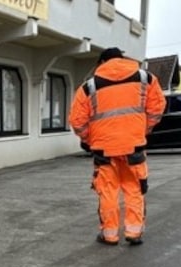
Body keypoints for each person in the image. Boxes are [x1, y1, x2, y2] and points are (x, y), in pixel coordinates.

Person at [69, 47, 166, 246]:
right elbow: (157, 108)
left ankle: (109, 235)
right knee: (134, 189)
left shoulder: (89, 87)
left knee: (108, 191)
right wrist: (143, 129)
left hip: (104, 150)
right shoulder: (146, 79)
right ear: (121, 58)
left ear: (102, 62)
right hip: (134, 146)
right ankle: (134, 233)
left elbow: (77, 121)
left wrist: (90, 139)